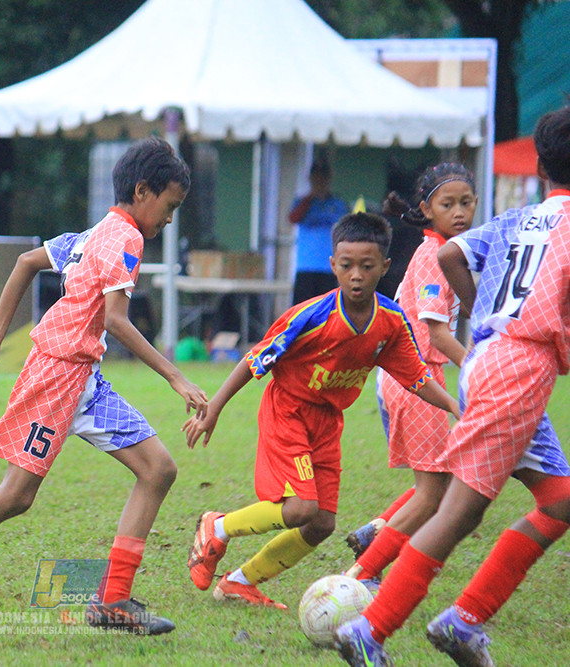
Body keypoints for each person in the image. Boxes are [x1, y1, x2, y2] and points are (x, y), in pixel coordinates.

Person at [0, 137, 208, 641]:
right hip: (57, 377)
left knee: (158, 469)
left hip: (82, 379)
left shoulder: (100, 231)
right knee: (15, 496)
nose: (169, 219)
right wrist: (176, 376)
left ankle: (112, 599)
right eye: (170, 206)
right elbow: (116, 321)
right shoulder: (125, 239)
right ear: (143, 191)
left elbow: (29, 260)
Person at [335, 107, 570, 667]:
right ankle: (375, 628)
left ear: (538, 166)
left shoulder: (524, 218)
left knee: (560, 501)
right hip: (516, 370)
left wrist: (487, 312)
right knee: (456, 512)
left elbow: (451, 253)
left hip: (489, 360)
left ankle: (460, 621)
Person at [183, 212, 460, 609]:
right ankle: (218, 527)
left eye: (367, 266)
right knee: (301, 508)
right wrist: (215, 408)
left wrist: (452, 403)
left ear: (384, 266)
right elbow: (254, 359)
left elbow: (415, 377)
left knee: (322, 524)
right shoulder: (311, 316)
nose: (357, 276)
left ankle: (240, 582)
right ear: (333, 265)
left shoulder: (391, 321)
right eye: (346, 266)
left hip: (328, 422)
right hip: (289, 411)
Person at [342, 163, 477, 587]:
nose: (459, 212)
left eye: (466, 203)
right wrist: (479, 365)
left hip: (409, 379)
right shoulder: (437, 257)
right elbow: (437, 333)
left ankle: (375, 533)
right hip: (419, 382)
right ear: (426, 208)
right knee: (435, 495)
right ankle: (364, 572)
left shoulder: (438, 249)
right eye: (447, 204)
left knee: (441, 481)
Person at [288, 157, 350, 303]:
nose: (319, 181)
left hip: (329, 266)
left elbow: (347, 228)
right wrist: (310, 198)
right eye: (316, 177)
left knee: (327, 310)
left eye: (323, 177)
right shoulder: (302, 203)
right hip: (306, 266)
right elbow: (293, 218)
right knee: (303, 310)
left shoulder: (337, 204)